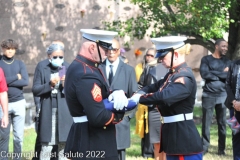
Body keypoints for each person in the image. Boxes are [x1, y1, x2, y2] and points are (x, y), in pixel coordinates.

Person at [130, 36, 203, 160]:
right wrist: (137, 94)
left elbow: (164, 97)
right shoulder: (172, 74)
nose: (160, 60)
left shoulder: (184, 76)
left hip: (183, 140)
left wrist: (139, 99)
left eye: (163, 57)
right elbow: (153, 86)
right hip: (173, 139)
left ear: (176, 55)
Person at [64, 29, 129, 160]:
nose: (108, 53)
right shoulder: (86, 73)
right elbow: (99, 117)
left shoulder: (82, 66)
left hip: (86, 137)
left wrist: (114, 93)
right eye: (105, 50)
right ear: (92, 47)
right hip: (93, 142)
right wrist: (122, 111)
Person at [32, 41, 72, 160]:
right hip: (48, 110)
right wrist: (49, 85)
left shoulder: (66, 67)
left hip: (64, 112)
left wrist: (65, 84)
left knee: (63, 146)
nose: (58, 59)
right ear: (49, 56)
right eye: (55, 57)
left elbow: (73, 92)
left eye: (61, 57)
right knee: (46, 146)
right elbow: (35, 89)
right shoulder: (42, 66)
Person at [98, 39, 138, 160]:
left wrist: (127, 117)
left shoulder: (128, 70)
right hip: (101, 121)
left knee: (119, 155)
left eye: (114, 49)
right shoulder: (98, 68)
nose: (111, 52)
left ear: (119, 51)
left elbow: (134, 96)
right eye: (108, 49)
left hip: (120, 122)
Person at [200, 38, 231, 155]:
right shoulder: (206, 59)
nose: (225, 49)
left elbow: (227, 76)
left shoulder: (227, 61)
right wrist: (221, 73)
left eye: (226, 47)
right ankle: (204, 147)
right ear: (216, 46)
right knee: (206, 123)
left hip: (223, 95)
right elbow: (204, 74)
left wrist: (212, 72)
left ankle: (221, 149)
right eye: (223, 46)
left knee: (222, 123)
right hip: (208, 95)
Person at [0, 39, 29, 160]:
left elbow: (25, 81)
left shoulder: (20, 64)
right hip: (2, 104)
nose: (10, 51)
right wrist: (16, 77)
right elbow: (1, 83)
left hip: (19, 103)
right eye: (8, 48)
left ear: (15, 50)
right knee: (3, 136)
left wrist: (6, 80)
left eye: (12, 49)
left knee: (18, 137)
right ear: (3, 49)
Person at [137, 48, 168, 160]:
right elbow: (141, 85)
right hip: (153, 109)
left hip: (167, 108)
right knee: (156, 142)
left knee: (166, 142)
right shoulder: (149, 68)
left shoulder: (170, 70)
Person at [225, 59, 240, 160]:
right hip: (234, 107)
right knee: (236, 135)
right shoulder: (234, 64)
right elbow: (227, 84)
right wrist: (234, 102)